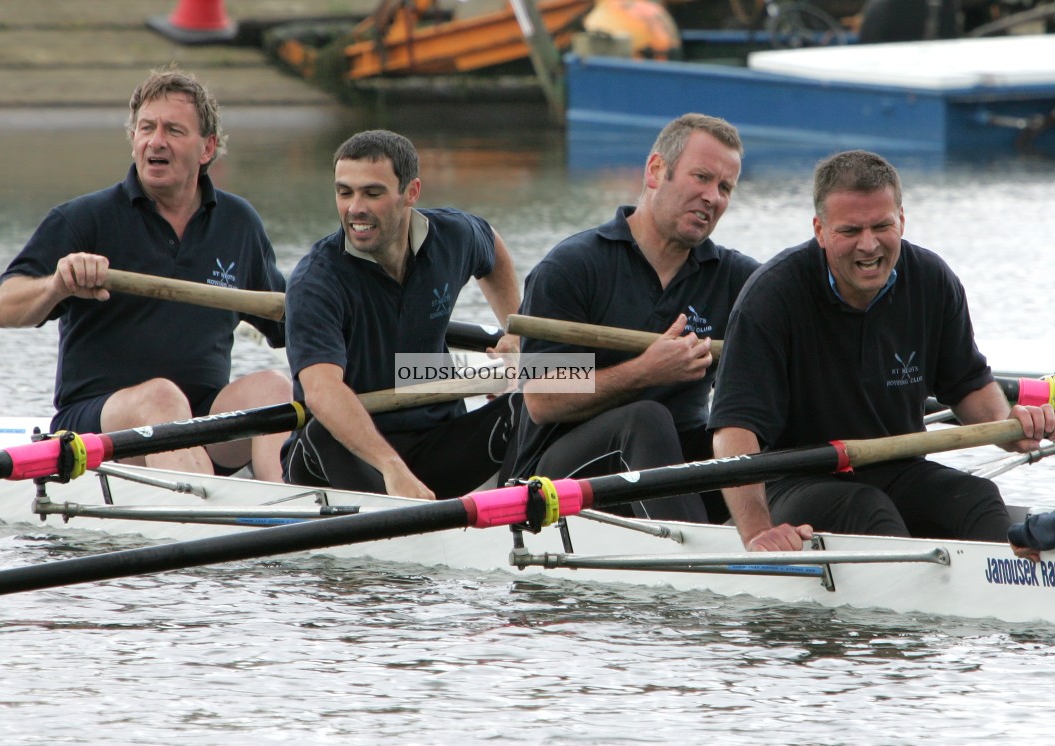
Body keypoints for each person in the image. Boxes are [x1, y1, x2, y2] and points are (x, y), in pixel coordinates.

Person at [709, 149, 1055, 551]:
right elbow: (733, 431)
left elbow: (967, 386)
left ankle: (1012, 597)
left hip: (898, 467)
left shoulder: (932, 280)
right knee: (868, 509)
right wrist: (756, 531)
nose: (869, 245)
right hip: (793, 478)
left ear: (902, 220)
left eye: (881, 226)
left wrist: (1010, 429)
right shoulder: (771, 296)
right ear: (820, 230)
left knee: (976, 498)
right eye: (850, 231)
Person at [0, 68, 291, 481]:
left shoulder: (239, 223)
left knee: (274, 388)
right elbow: (3, 308)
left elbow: (293, 324)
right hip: (98, 425)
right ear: (133, 139)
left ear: (207, 149)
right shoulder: (85, 219)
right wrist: (57, 284)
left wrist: (391, 340)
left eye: (173, 130)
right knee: (162, 398)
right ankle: (206, 512)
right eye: (146, 127)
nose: (156, 140)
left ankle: (285, 512)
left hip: (202, 421)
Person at [503, 113, 759, 523]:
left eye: (725, 187)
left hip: (668, 464)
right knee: (647, 419)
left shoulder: (737, 279)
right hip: (555, 481)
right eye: (702, 178)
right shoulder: (572, 267)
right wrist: (646, 371)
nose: (714, 197)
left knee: (756, 429)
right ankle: (692, 562)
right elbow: (541, 399)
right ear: (656, 171)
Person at [281, 129, 521, 500]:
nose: (355, 208)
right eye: (344, 192)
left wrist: (516, 331)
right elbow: (322, 390)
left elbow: (490, 244)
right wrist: (392, 468)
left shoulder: (452, 235)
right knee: (320, 431)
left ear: (411, 192)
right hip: (345, 456)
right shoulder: (316, 280)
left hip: (436, 440)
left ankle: (539, 514)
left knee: (552, 386)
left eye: (372, 193)